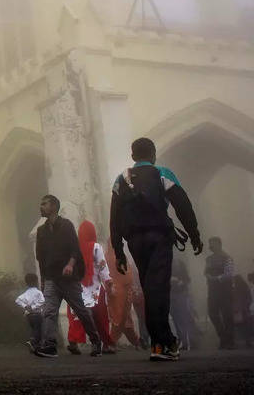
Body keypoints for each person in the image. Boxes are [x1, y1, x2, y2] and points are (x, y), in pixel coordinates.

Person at [109, 137, 203, 361]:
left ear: (133, 156)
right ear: (153, 154)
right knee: (157, 288)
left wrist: (119, 250)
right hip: (159, 237)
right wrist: (194, 234)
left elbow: (115, 218)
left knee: (150, 288)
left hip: (135, 241)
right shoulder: (162, 173)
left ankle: (159, 343)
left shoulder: (121, 179)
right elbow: (183, 206)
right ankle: (163, 343)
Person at [33, 194, 103, 358]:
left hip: (69, 279)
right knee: (49, 312)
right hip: (51, 278)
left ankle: (95, 341)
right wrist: (43, 280)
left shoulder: (66, 226)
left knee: (81, 310)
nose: (41, 207)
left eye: (45, 204)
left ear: (54, 207)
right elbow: (40, 257)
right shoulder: (41, 231)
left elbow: (74, 249)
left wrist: (70, 265)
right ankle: (50, 346)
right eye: (41, 204)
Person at [65, 220, 116, 354]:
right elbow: (102, 265)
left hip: (77, 289)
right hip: (95, 289)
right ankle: (105, 344)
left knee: (77, 316)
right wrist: (108, 281)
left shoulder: (73, 247)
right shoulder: (96, 247)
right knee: (100, 317)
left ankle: (73, 342)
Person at [104, 244, 145, 350]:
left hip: (113, 291)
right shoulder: (118, 256)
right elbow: (126, 274)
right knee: (121, 318)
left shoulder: (106, 256)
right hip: (122, 292)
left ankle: (136, 342)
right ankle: (110, 343)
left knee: (123, 318)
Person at [204, 236, 236, 349]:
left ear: (219, 244)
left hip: (225, 290)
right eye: (209, 243)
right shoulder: (209, 259)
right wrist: (208, 276)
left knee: (227, 315)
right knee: (212, 313)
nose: (210, 246)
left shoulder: (227, 258)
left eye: (212, 243)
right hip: (212, 290)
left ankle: (229, 341)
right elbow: (206, 271)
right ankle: (223, 336)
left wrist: (216, 278)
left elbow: (229, 274)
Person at [169, 256, 199, 351]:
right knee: (176, 317)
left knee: (184, 317)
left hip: (180, 293)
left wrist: (180, 282)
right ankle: (184, 342)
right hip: (170, 294)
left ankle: (192, 341)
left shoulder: (179, 263)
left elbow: (187, 279)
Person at [15, 273, 46, 355]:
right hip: (37, 314)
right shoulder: (38, 292)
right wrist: (33, 307)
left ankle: (34, 346)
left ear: (26, 283)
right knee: (38, 329)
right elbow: (43, 301)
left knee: (34, 329)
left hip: (29, 316)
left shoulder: (26, 293)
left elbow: (17, 300)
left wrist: (25, 306)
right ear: (36, 282)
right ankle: (32, 342)